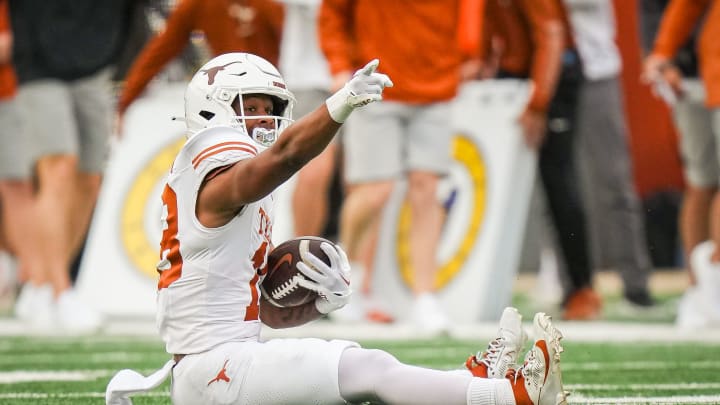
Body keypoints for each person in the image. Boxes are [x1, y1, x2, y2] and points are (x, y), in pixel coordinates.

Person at [105, 51, 567, 405]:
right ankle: (508, 396)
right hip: (212, 370)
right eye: (254, 106)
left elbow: (258, 309)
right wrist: (339, 105)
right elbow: (285, 156)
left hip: (220, 364)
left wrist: (320, 300)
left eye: (272, 108)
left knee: (360, 372)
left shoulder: (227, 184)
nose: (265, 119)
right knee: (366, 369)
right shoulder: (215, 172)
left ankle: (475, 382)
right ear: (213, 109)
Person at [318, 0, 461, 333]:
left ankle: (426, 297)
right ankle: (346, 279)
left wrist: (471, 54)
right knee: (374, 190)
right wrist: (339, 64)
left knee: (427, 189)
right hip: (375, 80)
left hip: (437, 83)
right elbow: (332, 13)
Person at [461, 0, 599, 320]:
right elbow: (490, 17)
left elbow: (551, 34)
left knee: (559, 181)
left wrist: (538, 102)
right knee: (496, 181)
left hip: (554, 71)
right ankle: (486, 285)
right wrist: (481, 61)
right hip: (516, 69)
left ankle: (582, 288)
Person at [9, 0, 139, 333]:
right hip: (39, 67)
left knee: (90, 177)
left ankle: (42, 284)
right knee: (58, 167)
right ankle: (61, 289)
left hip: (96, 66)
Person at [560, 0, 656, 319]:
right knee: (558, 185)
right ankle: (571, 285)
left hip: (595, 68)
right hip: (549, 70)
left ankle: (636, 283)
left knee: (613, 181)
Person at [642, 0, 720, 327]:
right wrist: (663, 51)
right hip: (699, 70)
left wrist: (663, 50)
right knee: (703, 181)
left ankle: (706, 288)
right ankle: (707, 287)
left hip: (702, 65)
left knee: (703, 181)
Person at [116, 0, 284, 132]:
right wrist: (125, 103)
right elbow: (160, 51)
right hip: (236, 101)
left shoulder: (274, 5)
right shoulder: (199, 4)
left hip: (282, 95)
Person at [277, 0, 340, 240]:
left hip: (369, 76)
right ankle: (300, 260)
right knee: (315, 172)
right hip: (309, 81)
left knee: (367, 185)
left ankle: (351, 271)